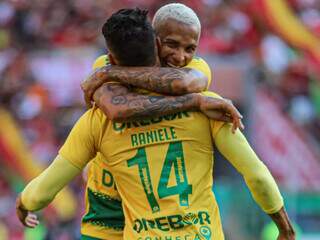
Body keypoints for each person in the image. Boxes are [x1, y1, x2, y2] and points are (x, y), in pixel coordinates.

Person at [16, 8, 295, 240]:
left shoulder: (98, 109)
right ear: (155, 42)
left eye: (189, 49)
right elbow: (256, 174)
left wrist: (26, 202)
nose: (181, 57)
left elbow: (51, 182)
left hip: (112, 227)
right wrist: (284, 226)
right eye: (172, 45)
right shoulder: (210, 105)